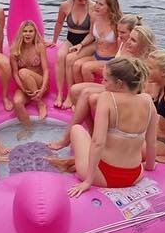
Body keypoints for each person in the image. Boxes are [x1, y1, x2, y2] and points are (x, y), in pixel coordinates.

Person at [64, 56, 157, 197]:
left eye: (105, 80)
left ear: (119, 83)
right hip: (135, 175)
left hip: (104, 175)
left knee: (76, 129)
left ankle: (80, 166)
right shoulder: (148, 100)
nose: (102, 83)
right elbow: (151, 142)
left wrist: (88, 181)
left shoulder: (107, 98)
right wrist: (149, 166)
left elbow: (98, 142)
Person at [51, 0, 93, 108]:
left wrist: (81, 44)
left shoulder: (93, 7)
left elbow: (92, 33)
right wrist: (54, 41)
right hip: (70, 38)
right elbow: (59, 23)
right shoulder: (65, 6)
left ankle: (70, 95)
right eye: (80, 0)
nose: (84, 2)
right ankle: (59, 94)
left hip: (86, 42)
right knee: (60, 56)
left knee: (70, 60)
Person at [72, 0, 123, 85]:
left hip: (110, 59)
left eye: (101, 4)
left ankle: (91, 92)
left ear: (109, 7)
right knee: (76, 65)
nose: (96, 6)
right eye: (96, 2)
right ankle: (78, 92)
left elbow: (122, 44)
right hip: (96, 56)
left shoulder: (117, 23)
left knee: (86, 68)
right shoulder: (94, 16)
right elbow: (91, 35)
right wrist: (81, 44)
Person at [7, 19, 49, 125]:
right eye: (25, 31)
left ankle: (40, 103)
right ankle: (28, 129)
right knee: (17, 102)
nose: (28, 34)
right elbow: (15, 73)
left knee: (24, 72)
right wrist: (23, 89)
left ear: (35, 33)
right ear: (21, 33)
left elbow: (46, 70)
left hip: (40, 83)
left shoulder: (39, 47)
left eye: (31, 31)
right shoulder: (15, 50)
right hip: (25, 87)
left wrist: (43, 89)